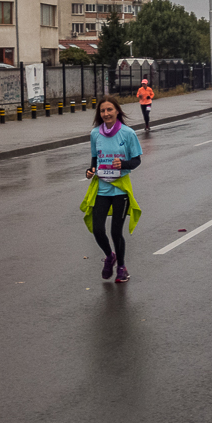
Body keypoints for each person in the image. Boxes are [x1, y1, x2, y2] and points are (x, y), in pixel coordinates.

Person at [80, 95, 142, 284]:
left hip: (120, 190)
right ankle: (109, 256)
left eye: (109, 110)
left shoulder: (128, 133)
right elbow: (94, 160)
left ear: (117, 111)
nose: (106, 114)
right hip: (102, 188)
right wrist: (90, 171)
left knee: (116, 232)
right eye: (102, 111)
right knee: (98, 229)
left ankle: (122, 267)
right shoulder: (95, 134)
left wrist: (122, 164)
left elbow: (136, 160)